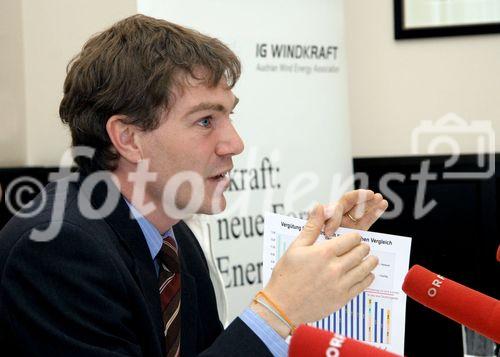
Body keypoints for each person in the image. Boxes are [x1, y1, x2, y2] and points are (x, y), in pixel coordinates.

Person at [0, 14, 388, 356]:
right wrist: (276, 312)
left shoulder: (174, 240)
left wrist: (326, 269)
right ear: (129, 138)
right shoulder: (53, 247)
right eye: (205, 120)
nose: (235, 143)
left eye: (229, 116)